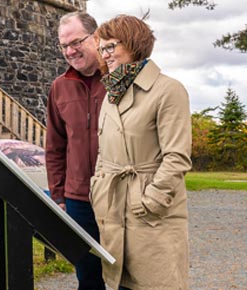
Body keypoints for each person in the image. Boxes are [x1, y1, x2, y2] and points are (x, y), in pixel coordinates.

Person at [90, 15, 192, 290]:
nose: (105, 54)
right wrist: (97, 185)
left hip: (149, 210)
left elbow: (177, 157)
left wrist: (152, 200)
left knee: (157, 282)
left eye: (111, 46)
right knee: (122, 283)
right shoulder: (112, 92)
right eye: (102, 48)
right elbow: (104, 151)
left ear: (134, 44)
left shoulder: (168, 90)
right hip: (114, 207)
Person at [45, 11, 106, 290]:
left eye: (76, 42)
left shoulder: (119, 80)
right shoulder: (59, 87)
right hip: (78, 200)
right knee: (88, 278)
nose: (70, 51)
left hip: (119, 197)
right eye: (63, 45)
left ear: (96, 37)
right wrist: (58, 195)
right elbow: (55, 146)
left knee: (129, 276)